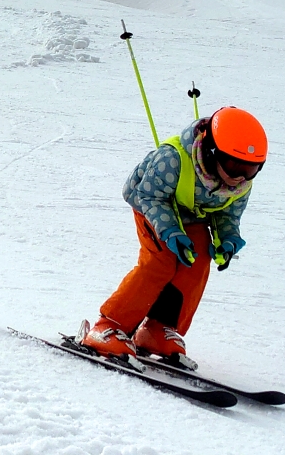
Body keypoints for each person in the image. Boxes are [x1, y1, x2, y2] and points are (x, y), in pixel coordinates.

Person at [80, 107, 268, 366]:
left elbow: (227, 215)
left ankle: (157, 330)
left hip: (192, 216)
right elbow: (148, 195)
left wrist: (227, 238)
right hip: (152, 204)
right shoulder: (172, 159)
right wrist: (169, 231)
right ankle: (107, 326)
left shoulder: (240, 185)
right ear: (213, 152)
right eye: (233, 165)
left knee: (198, 261)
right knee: (161, 262)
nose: (238, 177)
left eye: (250, 169)